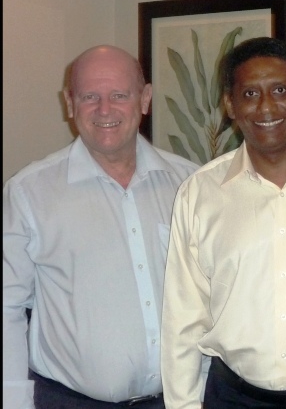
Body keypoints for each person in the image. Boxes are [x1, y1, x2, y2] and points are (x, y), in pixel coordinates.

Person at [161, 37, 286, 409]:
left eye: (281, 90)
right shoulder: (200, 193)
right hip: (235, 399)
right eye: (250, 93)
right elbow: (183, 321)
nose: (266, 106)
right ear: (230, 105)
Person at [2, 45, 199, 408]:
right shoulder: (29, 192)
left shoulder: (190, 185)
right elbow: (6, 307)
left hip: (178, 400)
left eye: (119, 95)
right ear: (70, 103)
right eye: (89, 96)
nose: (104, 109)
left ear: (145, 99)